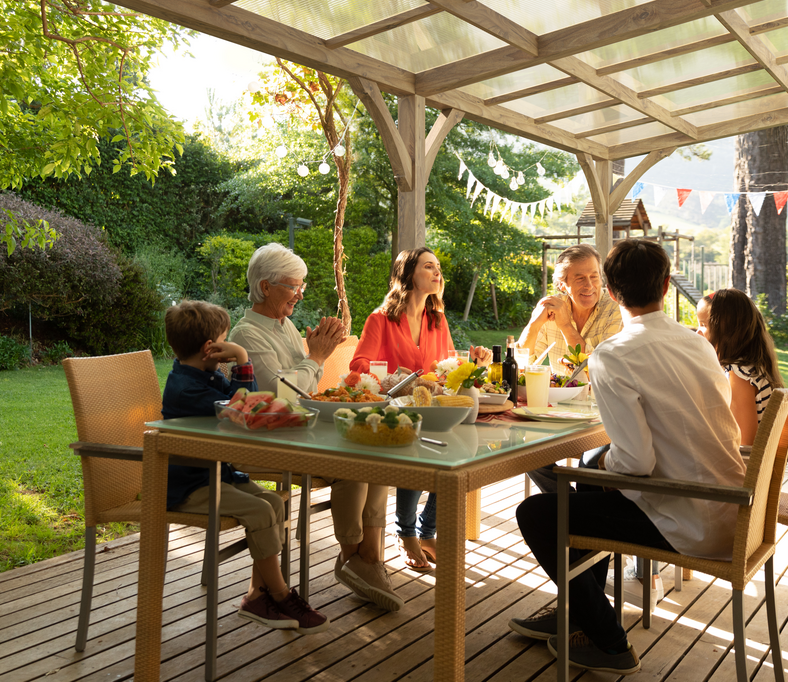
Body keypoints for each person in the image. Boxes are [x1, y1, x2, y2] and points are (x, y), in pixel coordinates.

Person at [511, 239, 745, 675]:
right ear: (666, 285)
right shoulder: (697, 343)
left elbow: (635, 463)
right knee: (589, 485)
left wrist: (604, 463)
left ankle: (609, 642)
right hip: (731, 507)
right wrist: (603, 467)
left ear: (612, 292)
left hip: (686, 519)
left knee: (538, 512)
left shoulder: (613, 354)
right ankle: (579, 613)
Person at [229, 244, 404, 612]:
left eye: (302, 286)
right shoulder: (247, 334)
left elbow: (306, 390)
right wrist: (316, 356)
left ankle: (369, 556)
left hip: (299, 430)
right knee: (352, 459)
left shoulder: (286, 326)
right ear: (265, 287)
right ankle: (353, 556)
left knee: (377, 450)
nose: (300, 294)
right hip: (269, 438)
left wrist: (314, 357)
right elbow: (283, 395)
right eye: (294, 286)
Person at [161, 300, 327, 634]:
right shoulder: (187, 388)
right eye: (225, 340)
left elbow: (251, 401)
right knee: (261, 511)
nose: (228, 346)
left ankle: (257, 595)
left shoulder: (204, 376)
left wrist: (240, 362)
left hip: (216, 474)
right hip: (190, 486)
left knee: (274, 502)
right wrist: (241, 357)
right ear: (211, 348)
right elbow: (249, 410)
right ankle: (281, 595)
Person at [348, 247, 492, 572]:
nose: (437, 272)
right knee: (418, 442)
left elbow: (446, 367)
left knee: (463, 452)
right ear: (409, 274)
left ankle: (427, 531)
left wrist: (471, 365)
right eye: (429, 266)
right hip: (394, 411)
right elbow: (359, 365)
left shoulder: (437, 321)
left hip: (432, 409)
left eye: (438, 266)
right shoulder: (380, 319)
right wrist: (399, 378)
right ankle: (406, 532)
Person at [516, 244, 622, 377]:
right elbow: (521, 365)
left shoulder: (616, 308)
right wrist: (534, 325)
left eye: (594, 277)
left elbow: (602, 370)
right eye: (580, 278)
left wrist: (566, 326)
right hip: (558, 391)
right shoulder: (551, 307)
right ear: (562, 284)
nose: (589, 286)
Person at [696, 289, 783, 447]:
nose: (697, 332)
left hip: (742, 462)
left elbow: (745, 444)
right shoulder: (752, 368)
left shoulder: (739, 375)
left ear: (727, 331)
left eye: (703, 325)